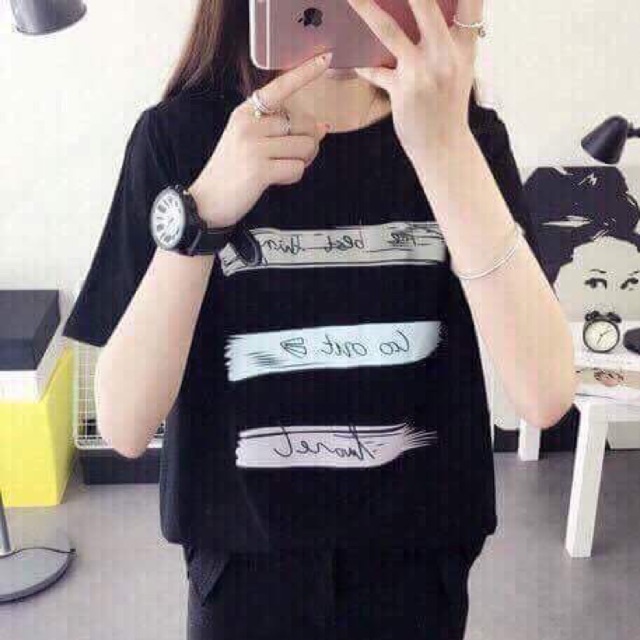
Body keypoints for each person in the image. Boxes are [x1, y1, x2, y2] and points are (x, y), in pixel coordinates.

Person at [62, 0, 577, 638]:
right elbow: (124, 425)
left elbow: (545, 393)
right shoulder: (181, 138)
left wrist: (444, 148)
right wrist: (204, 213)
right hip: (242, 571)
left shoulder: (463, 136)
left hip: (418, 567)